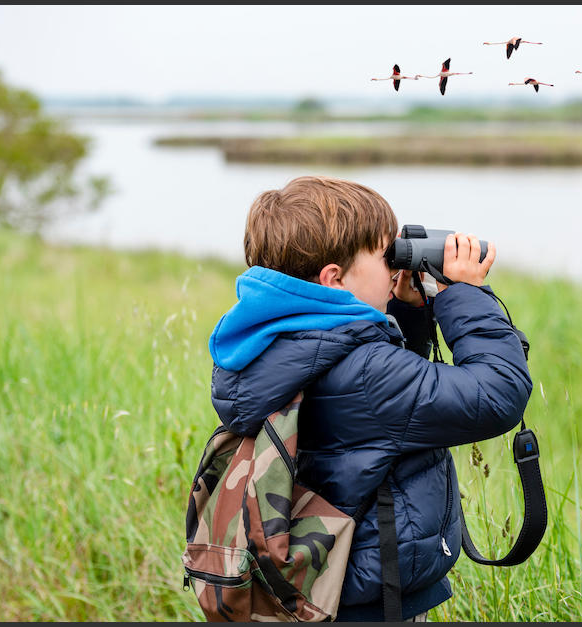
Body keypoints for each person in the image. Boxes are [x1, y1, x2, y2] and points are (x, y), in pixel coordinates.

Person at [208, 175, 531, 622]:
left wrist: (409, 314)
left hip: (318, 582)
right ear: (334, 279)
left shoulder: (270, 345)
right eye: (386, 258)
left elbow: (380, 414)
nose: (396, 268)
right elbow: (498, 393)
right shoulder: (367, 371)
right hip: (373, 600)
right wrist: (465, 297)